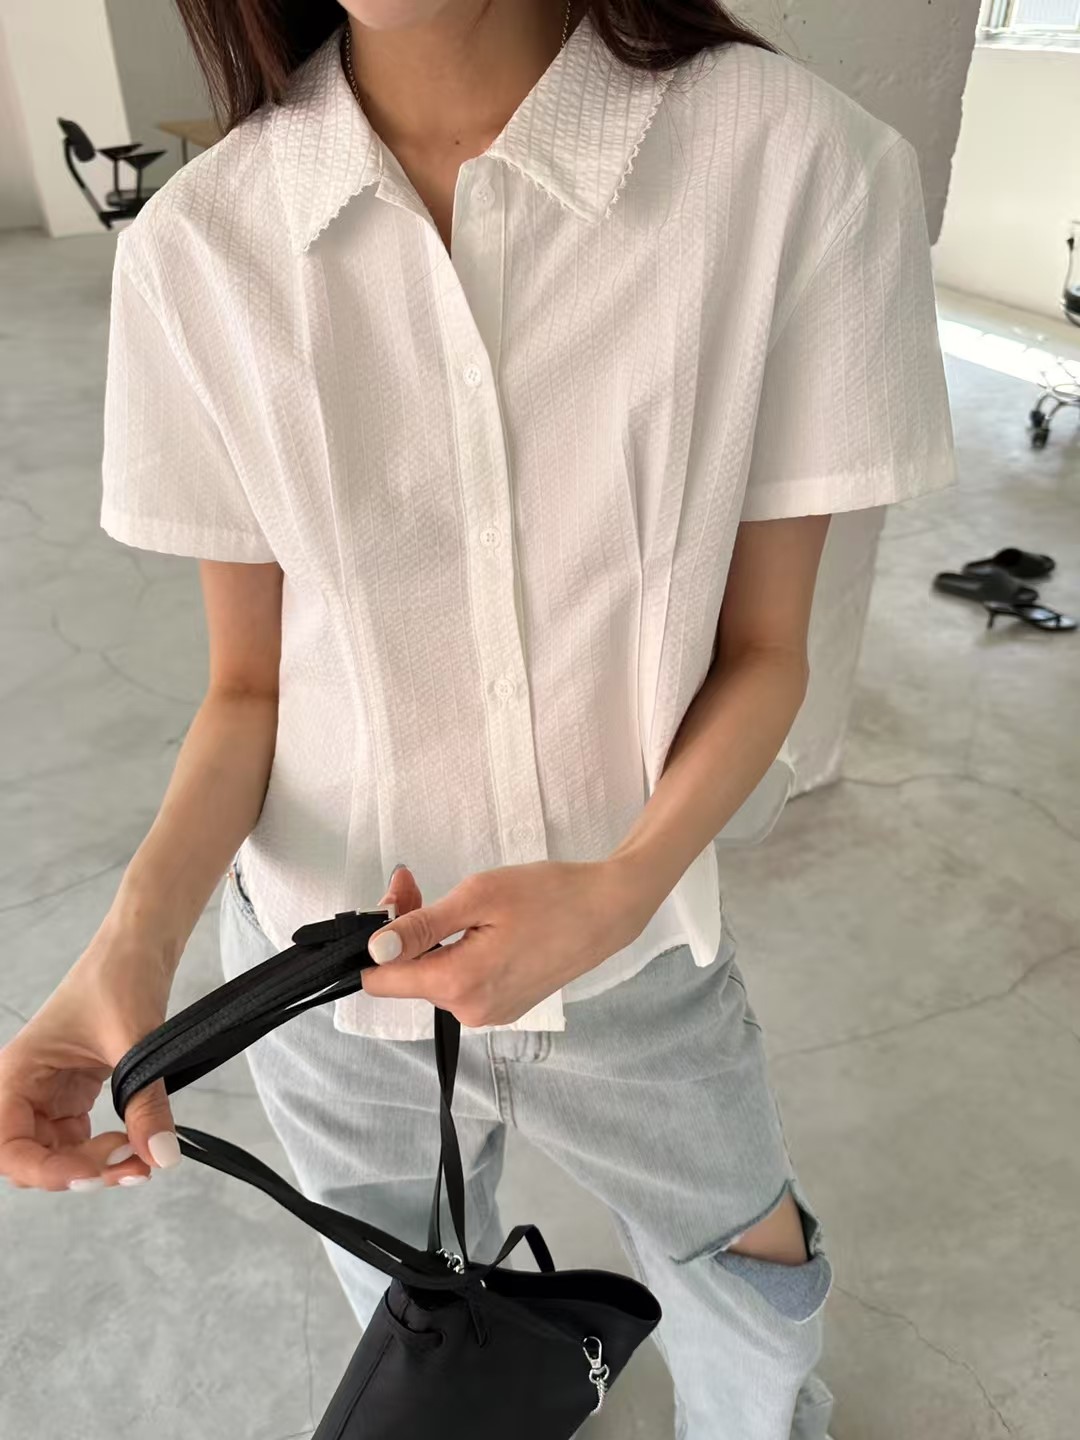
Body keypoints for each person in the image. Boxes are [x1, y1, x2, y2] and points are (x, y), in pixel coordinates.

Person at [0, 1, 955, 1436]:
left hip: (636, 955)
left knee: (750, 1300)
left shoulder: (792, 164)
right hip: (324, 979)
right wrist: (128, 951)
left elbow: (765, 650)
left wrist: (619, 891)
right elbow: (251, 690)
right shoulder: (203, 246)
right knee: (421, 1343)